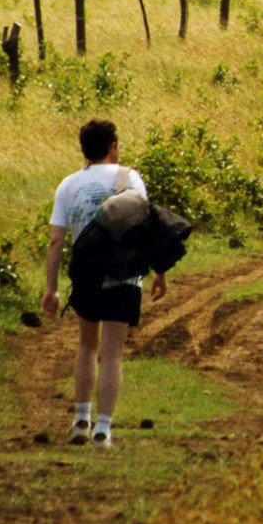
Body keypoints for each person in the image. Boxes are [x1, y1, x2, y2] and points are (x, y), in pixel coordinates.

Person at [41, 119, 166, 449]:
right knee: (112, 355)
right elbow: (146, 228)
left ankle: (80, 419)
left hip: (86, 275)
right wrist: (159, 271)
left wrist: (51, 288)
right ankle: (103, 429)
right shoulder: (131, 178)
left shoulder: (68, 185)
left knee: (86, 346)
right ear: (113, 146)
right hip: (124, 276)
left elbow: (56, 241)